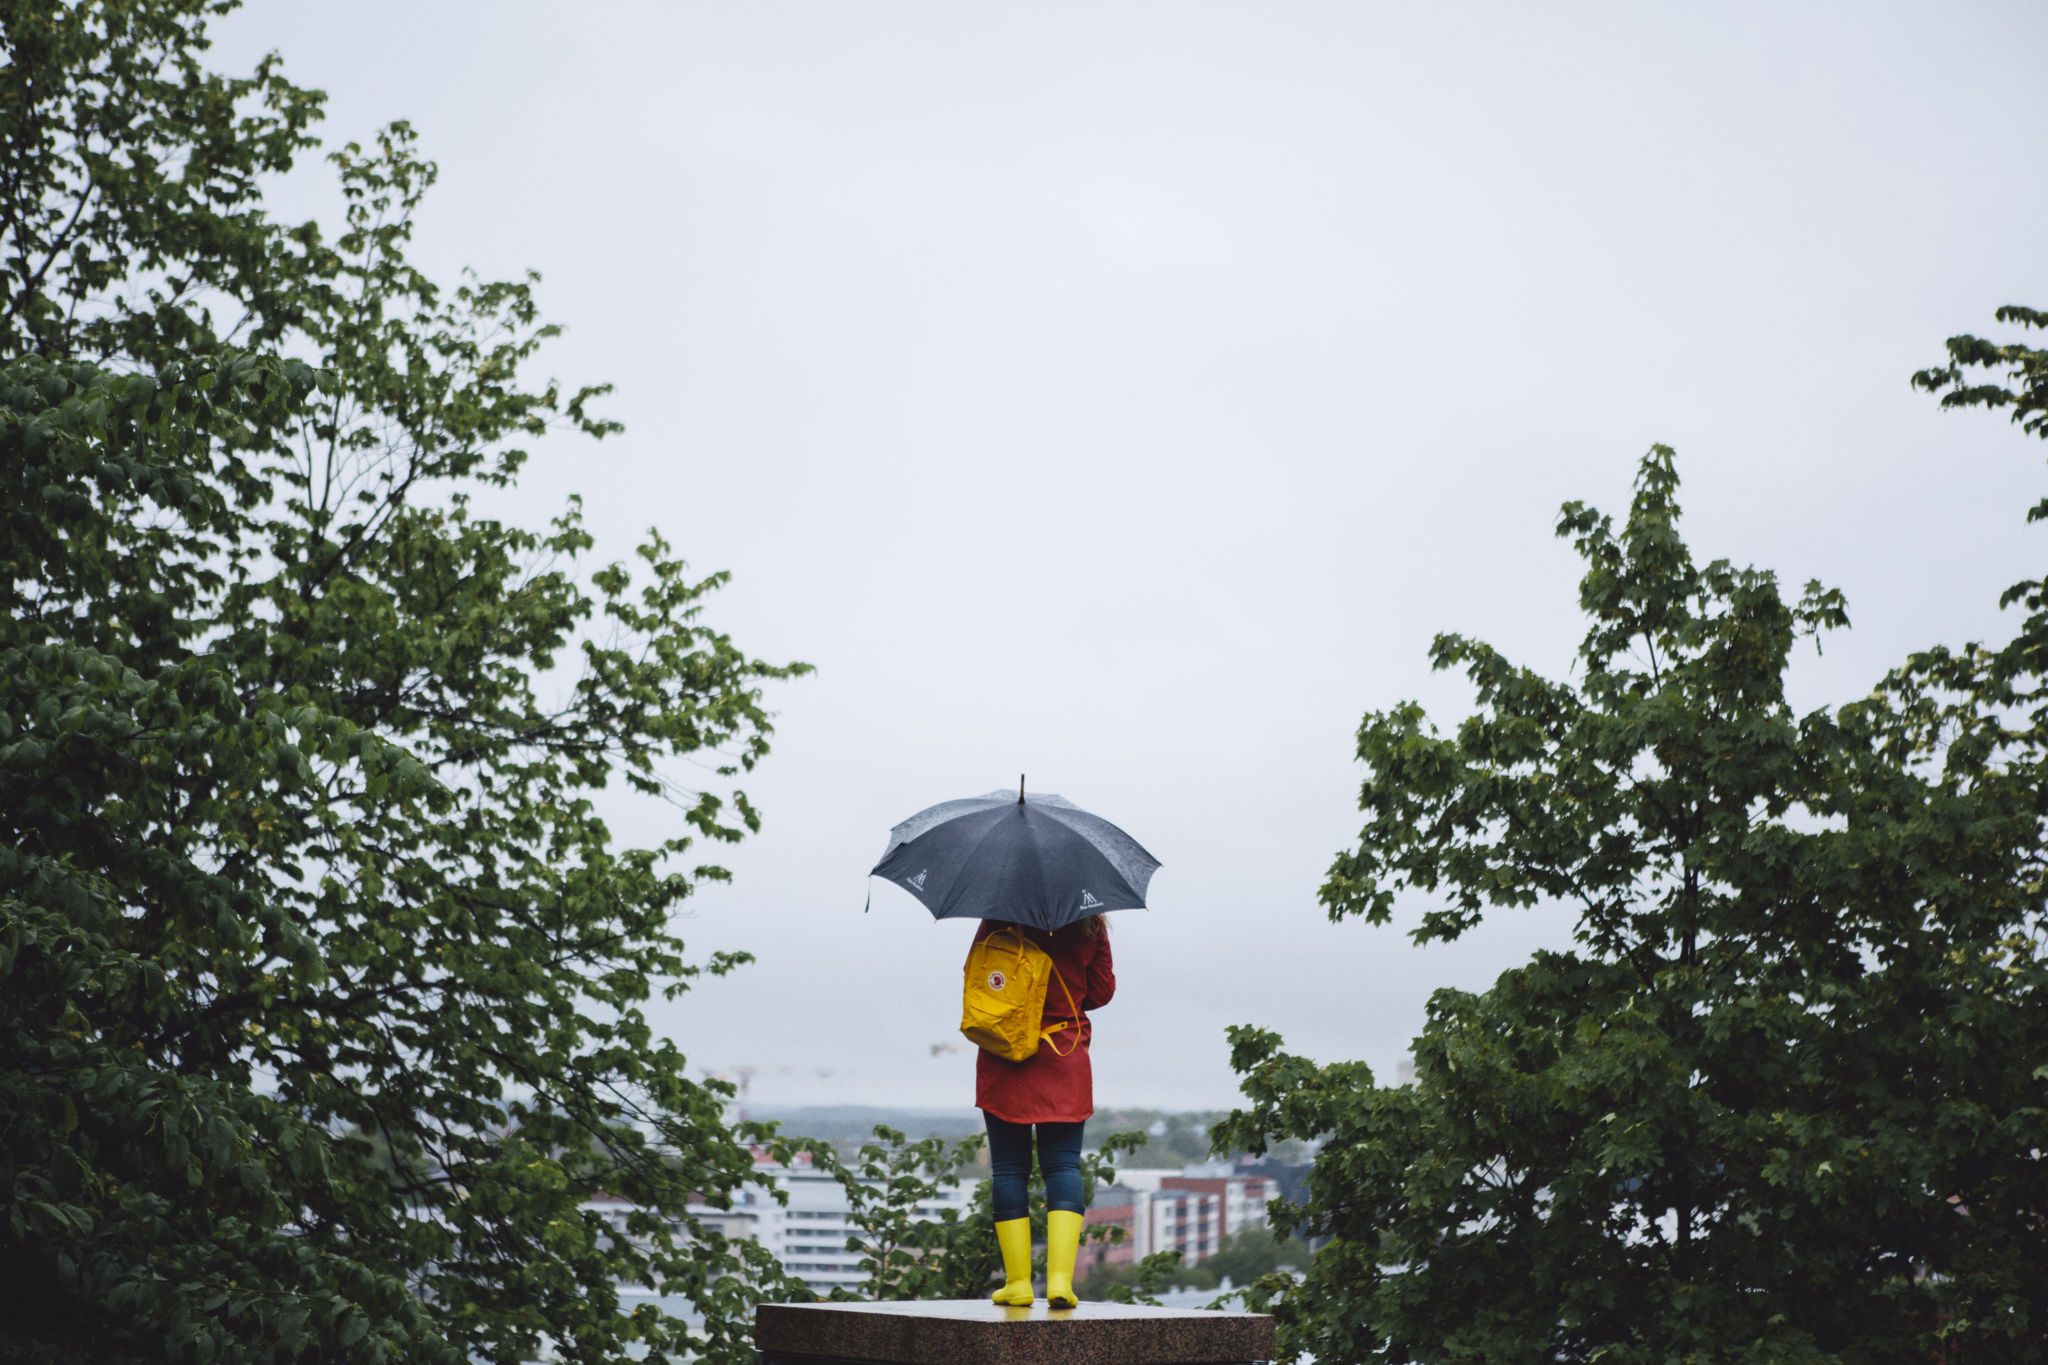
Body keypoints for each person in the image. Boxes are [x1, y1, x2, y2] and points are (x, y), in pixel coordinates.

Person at [971, 913, 1115, 1309]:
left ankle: (1018, 1283)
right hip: (1062, 1054)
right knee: (1063, 1166)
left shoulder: (999, 913)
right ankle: (1059, 1282)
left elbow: (980, 971)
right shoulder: (1088, 920)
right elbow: (1101, 991)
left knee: (1008, 1169)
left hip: (1005, 1055)